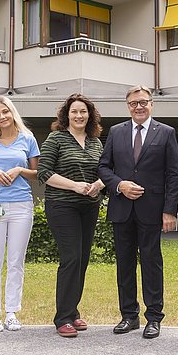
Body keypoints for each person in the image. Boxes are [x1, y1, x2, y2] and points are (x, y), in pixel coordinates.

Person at [98, 85, 178, 339]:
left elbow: (173, 174)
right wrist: (119, 185)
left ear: (151, 104)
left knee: (151, 263)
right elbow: (103, 167)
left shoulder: (166, 133)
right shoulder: (116, 132)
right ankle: (129, 316)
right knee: (124, 264)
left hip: (152, 210)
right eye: (134, 103)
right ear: (128, 106)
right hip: (122, 208)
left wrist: (169, 210)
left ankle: (154, 317)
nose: (139, 107)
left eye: (143, 102)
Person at [38, 94, 105, 338]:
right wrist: (75, 185)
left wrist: (97, 184)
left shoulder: (96, 142)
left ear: (90, 115)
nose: (79, 115)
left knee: (82, 259)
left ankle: (73, 311)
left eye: (83, 112)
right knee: (71, 259)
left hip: (89, 206)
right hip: (62, 206)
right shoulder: (56, 138)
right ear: (67, 115)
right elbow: (44, 172)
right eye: (74, 111)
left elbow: (105, 171)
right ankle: (63, 317)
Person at [0, 97, 39, 332]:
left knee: (16, 262)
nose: (2, 117)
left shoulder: (28, 139)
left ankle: (11, 312)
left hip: (21, 206)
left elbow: (37, 172)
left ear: (12, 113)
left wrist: (20, 169)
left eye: (5, 112)